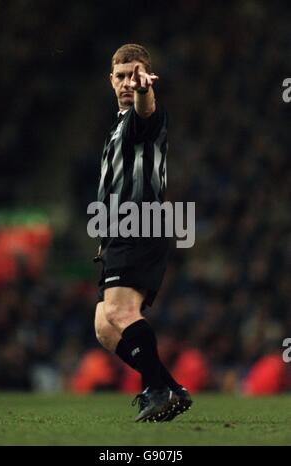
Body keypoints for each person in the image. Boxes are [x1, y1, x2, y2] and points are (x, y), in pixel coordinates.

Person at [93, 44, 192, 422]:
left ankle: (157, 389)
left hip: (139, 224)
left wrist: (144, 90)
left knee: (119, 311)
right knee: (104, 324)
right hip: (118, 232)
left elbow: (146, 109)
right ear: (110, 79)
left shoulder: (144, 114)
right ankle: (170, 388)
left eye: (134, 75)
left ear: (146, 77)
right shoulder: (118, 125)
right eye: (120, 76)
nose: (126, 83)